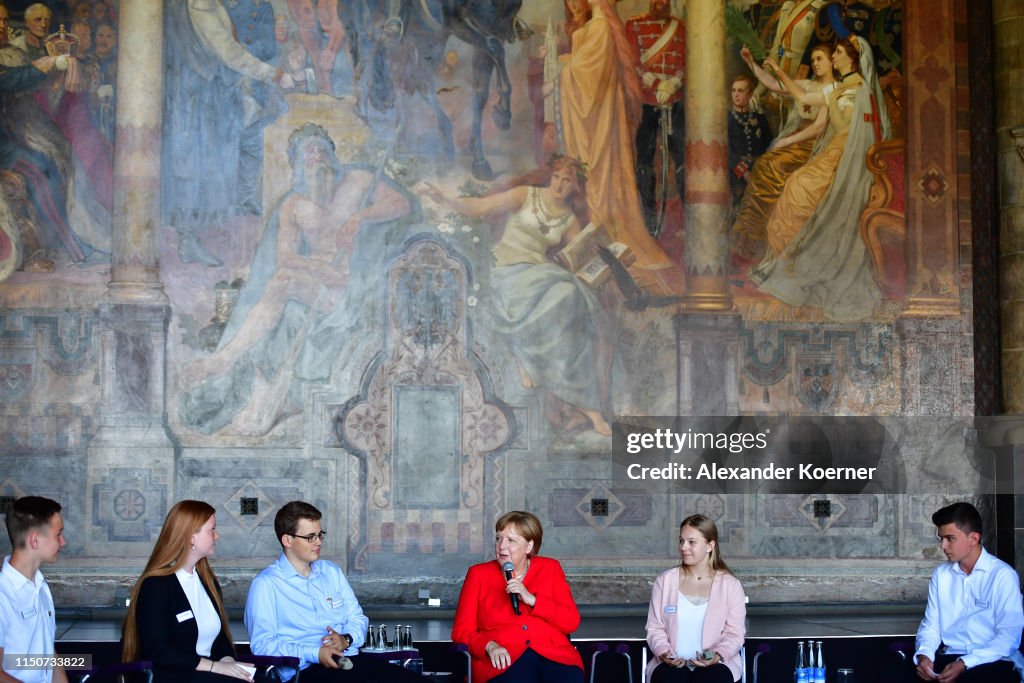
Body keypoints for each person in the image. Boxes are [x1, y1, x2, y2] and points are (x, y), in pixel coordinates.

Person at [179, 124, 413, 434]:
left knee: (285, 282)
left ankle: (224, 358)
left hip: (356, 288)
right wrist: (319, 268)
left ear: (333, 154)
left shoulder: (358, 182)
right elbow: (285, 258)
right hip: (320, 285)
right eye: (309, 153)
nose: (318, 158)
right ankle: (229, 364)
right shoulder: (294, 205)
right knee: (284, 280)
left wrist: (360, 216)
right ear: (297, 164)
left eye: (322, 150)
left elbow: (401, 204)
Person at [419, 156, 614, 436]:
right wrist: (444, 199)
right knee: (565, 293)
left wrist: (610, 259)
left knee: (572, 297)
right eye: (557, 177)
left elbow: (581, 256)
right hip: (506, 271)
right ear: (551, 176)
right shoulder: (526, 195)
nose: (559, 184)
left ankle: (588, 405)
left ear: (575, 187)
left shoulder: (569, 220)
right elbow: (481, 207)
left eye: (567, 180)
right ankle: (528, 360)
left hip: (539, 273)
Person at [750, 35, 891, 321]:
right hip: (834, 154)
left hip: (850, 159)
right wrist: (778, 72)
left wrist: (851, 166)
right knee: (795, 184)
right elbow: (801, 97)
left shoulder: (861, 90)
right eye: (835, 52)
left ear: (852, 58)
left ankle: (800, 262)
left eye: (838, 52)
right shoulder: (836, 89)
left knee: (801, 186)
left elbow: (865, 136)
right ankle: (787, 260)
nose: (834, 56)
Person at [244, 501, 423, 682]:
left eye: (320, 535)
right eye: (310, 537)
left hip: (350, 661)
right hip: (304, 671)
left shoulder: (331, 572)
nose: (319, 542)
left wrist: (347, 639)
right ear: (287, 540)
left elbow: (357, 618)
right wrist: (315, 653)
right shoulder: (266, 584)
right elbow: (262, 645)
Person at [556, 0, 672, 272]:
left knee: (600, 175)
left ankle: (601, 236)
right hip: (598, 119)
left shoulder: (599, 27)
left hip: (598, 122)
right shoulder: (597, 25)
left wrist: (566, 67)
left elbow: (588, 77)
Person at [882, 502, 1024, 683]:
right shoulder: (941, 575)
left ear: (973, 538)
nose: (943, 546)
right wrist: (925, 656)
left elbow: (1008, 639)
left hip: (994, 661)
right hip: (949, 657)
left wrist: (964, 663)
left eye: (950, 538)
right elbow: (931, 626)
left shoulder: (1003, 576)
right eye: (941, 538)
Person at [122, 500, 257, 683]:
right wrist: (215, 667)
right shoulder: (156, 586)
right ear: (191, 537)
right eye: (212, 529)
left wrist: (230, 664)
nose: (217, 536)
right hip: (174, 677)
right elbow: (159, 651)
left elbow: (219, 639)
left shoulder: (208, 581)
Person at [452, 511, 584, 683]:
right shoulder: (478, 574)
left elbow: (570, 621)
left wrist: (532, 600)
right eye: (499, 538)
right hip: (503, 659)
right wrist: (489, 646)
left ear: (529, 546)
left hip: (553, 655)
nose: (501, 546)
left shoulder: (550, 568)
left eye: (511, 540)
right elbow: (462, 631)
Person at [732, 43, 835, 259]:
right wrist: (751, 62)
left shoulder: (835, 89)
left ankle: (766, 237)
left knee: (773, 165)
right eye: (813, 59)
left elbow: (819, 128)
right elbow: (772, 83)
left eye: (820, 59)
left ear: (832, 61)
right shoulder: (806, 84)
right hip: (797, 139)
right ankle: (751, 234)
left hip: (816, 143)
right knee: (764, 164)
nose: (815, 63)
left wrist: (787, 142)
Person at [645, 514, 746, 683]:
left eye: (691, 542)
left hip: (717, 665)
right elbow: (655, 628)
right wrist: (664, 653)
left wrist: (718, 655)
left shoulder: (731, 585)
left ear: (710, 545)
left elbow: (735, 633)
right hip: (671, 666)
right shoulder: (664, 581)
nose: (683, 547)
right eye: (681, 541)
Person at [625, 0, 686, 236]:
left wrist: (673, 84)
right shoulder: (634, 25)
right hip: (647, 100)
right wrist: (658, 84)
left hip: (674, 98)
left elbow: (684, 63)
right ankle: (649, 222)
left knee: (681, 159)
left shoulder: (679, 27)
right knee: (644, 162)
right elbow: (633, 63)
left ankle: (685, 221)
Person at [0, 496, 68, 683]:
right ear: (35, 540)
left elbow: (48, 656)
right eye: (58, 534)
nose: (63, 542)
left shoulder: (41, 588)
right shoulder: (3, 595)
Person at [727, 75, 771, 209]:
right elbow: (728, 152)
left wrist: (760, 172)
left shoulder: (760, 119)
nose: (736, 94)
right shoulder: (726, 119)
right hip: (736, 174)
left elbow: (768, 147)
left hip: (758, 171)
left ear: (750, 94)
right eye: (734, 90)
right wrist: (745, 173)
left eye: (740, 91)